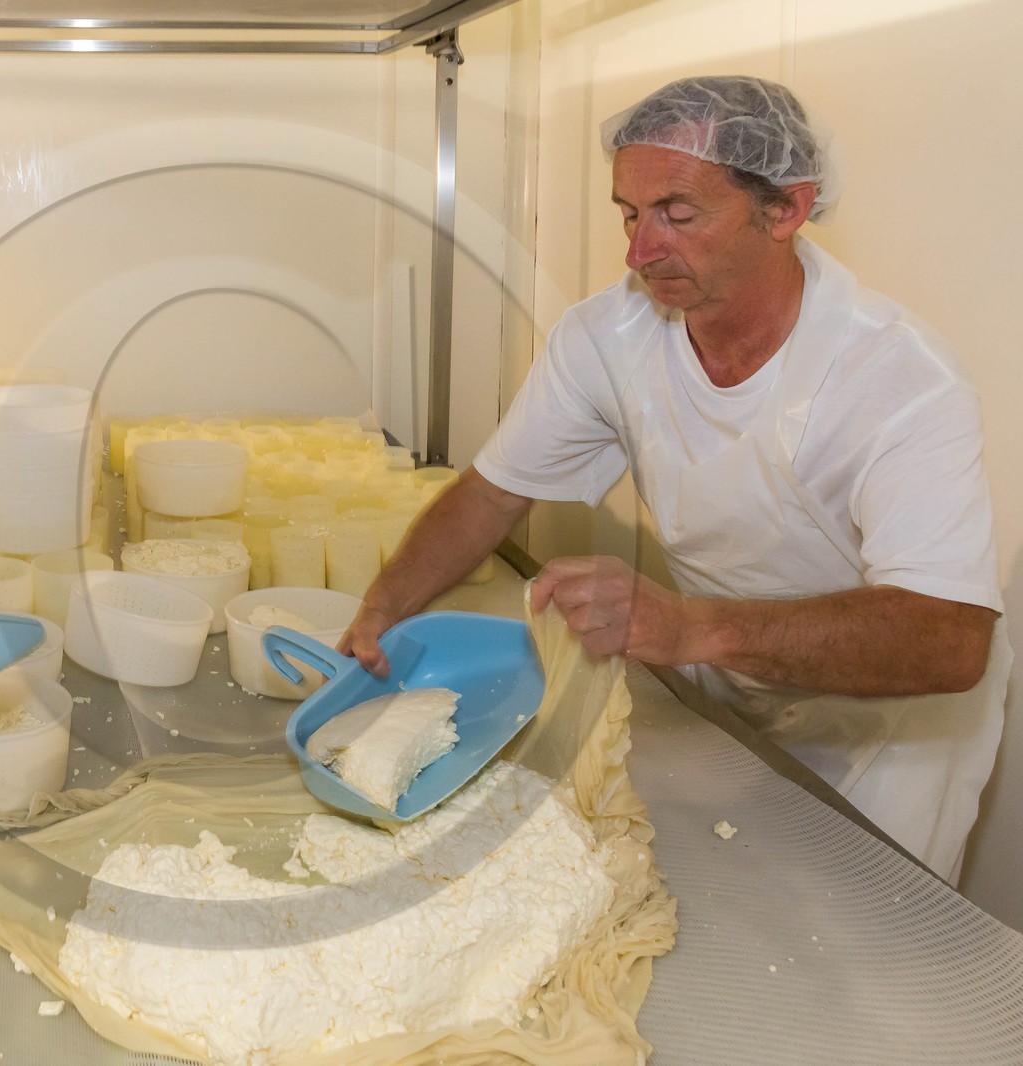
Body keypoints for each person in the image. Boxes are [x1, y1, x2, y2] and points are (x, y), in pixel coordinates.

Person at [344, 75, 1008, 882]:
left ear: (786, 210)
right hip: (734, 679)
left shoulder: (897, 377)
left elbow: (949, 639)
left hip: (896, 734)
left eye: (678, 215)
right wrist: (379, 611)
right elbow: (494, 493)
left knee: (852, 947)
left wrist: (692, 629)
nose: (639, 251)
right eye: (629, 213)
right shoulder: (610, 334)